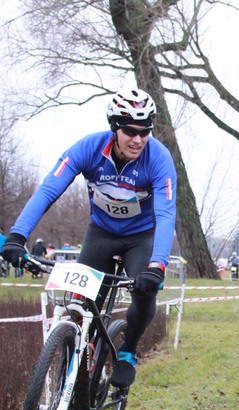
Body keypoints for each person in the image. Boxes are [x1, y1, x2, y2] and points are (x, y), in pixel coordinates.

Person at [2, 87, 176, 389]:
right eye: (130, 131)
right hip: (102, 233)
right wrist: (17, 236)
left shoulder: (158, 158)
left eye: (145, 131)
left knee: (145, 292)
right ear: (114, 128)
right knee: (79, 306)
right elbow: (48, 190)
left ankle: (128, 350)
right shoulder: (89, 148)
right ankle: (78, 362)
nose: (138, 139)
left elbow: (166, 213)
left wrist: (157, 265)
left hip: (141, 237)